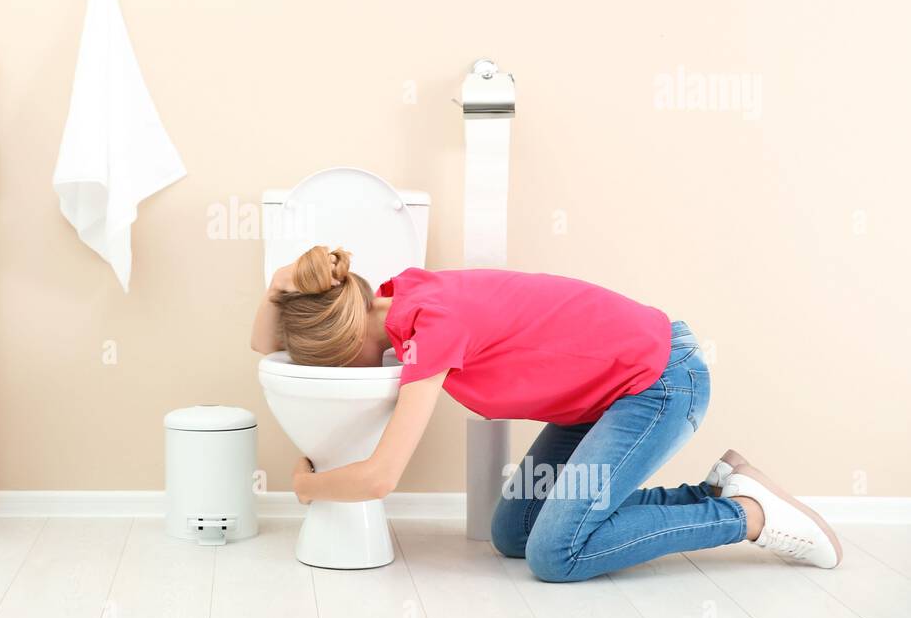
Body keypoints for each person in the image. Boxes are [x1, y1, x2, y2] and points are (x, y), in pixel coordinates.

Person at [250, 245, 842, 581]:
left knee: (556, 556)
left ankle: (745, 514)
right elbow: (260, 345)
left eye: (334, 366)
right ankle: (710, 492)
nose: (342, 377)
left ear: (350, 343)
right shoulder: (394, 298)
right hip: (598, 399)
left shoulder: (430, 327)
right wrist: (278, 289)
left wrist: (307, 485)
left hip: (660, 381)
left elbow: (381, 478)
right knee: (513, 535)